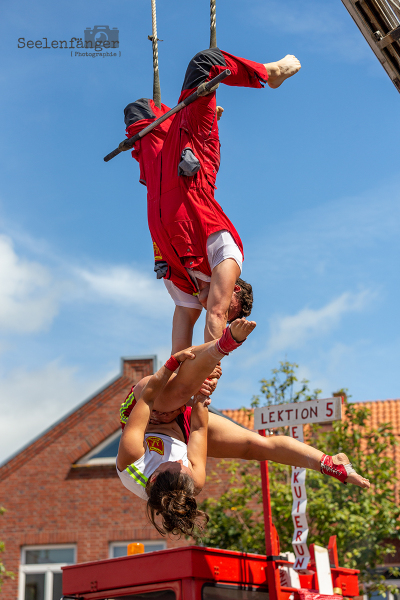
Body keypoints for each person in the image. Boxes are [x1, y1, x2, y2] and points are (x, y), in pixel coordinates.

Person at [117, 320, 370, 538]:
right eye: (186, 466)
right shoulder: (193, 481)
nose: (185, 463)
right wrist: (202, 398)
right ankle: (330, 464)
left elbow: (148, 399)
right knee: (254, 445)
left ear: (155, 474)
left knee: (173, 393)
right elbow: (198, 431)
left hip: (145, 413)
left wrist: (171, 363)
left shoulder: (131, 461)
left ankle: (223, 344)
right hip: (183, 430)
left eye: (178, 464)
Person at [124, 49, 301, 353]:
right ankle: (269, 74)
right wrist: (212, 368)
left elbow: (179, 349)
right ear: (232, 286)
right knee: (204, 65)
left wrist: (183, 388)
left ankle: (201, 112)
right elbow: (217, 315)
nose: (209, 306)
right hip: (194, 161)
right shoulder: (226, 252)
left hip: (160, 170)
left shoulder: (182, 280)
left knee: (138, 111)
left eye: (208, 308)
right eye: (225, 301)